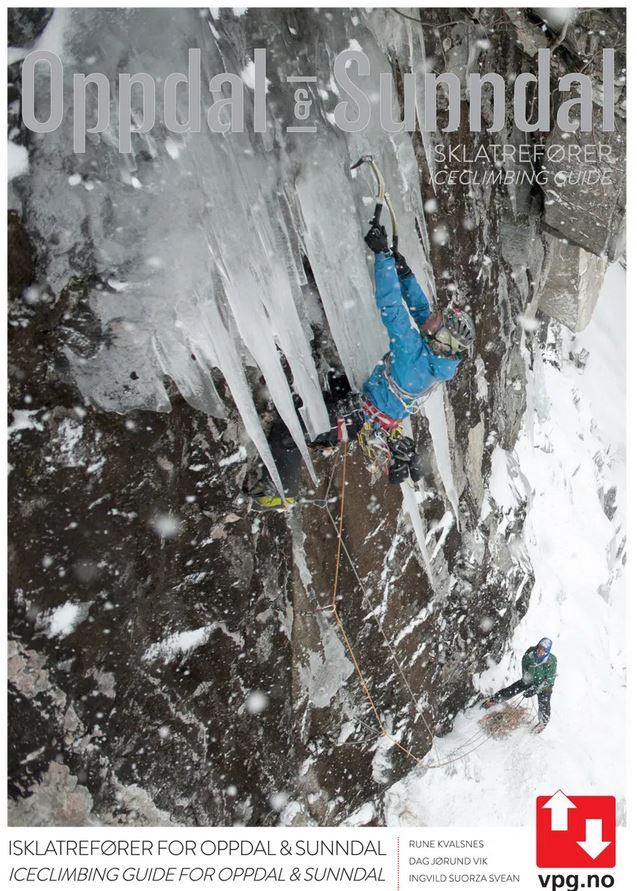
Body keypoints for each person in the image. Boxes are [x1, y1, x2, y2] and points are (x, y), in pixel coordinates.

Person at [254, 222, 475, 510]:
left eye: (441, 321)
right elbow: (421, 310)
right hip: (366, 407)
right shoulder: (438, 356)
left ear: (443, 339)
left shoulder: (414, 360)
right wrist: (405, 273)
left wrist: (383, 257)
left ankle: (278, 493)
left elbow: (392, 309)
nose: (434, 317)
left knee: (292, 427)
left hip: (360, 419)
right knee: (324, 384)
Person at [481, 638, 557, 733]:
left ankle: (543, 722)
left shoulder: (551, 661)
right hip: (530, 677)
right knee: (513, 689)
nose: (540, 651)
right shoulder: (529, 654)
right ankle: (494, 700)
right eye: (539, 648)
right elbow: (524, 666)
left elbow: (550, 679)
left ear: (547, 651)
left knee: (544, 703)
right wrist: (527, 680)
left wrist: (535, 690)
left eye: (543, 650)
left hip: (544, 685)